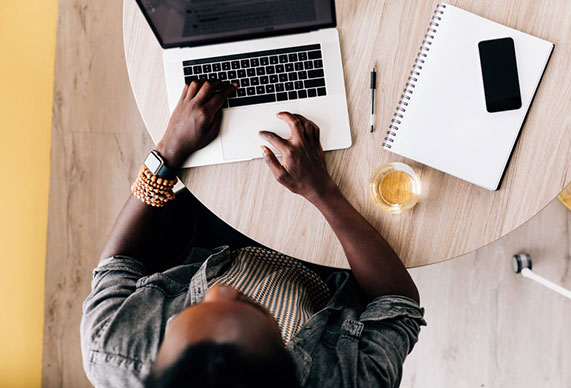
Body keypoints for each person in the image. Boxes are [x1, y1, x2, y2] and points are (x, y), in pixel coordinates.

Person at [81, 79, 425, 388]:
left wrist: (169, 149)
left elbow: (118, 263)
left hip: (217, 237)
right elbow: (399, 303)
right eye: (251, 309)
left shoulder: (111, 348)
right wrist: (323, 192)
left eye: (189, 312)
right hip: (338, 267)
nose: (221, 292)